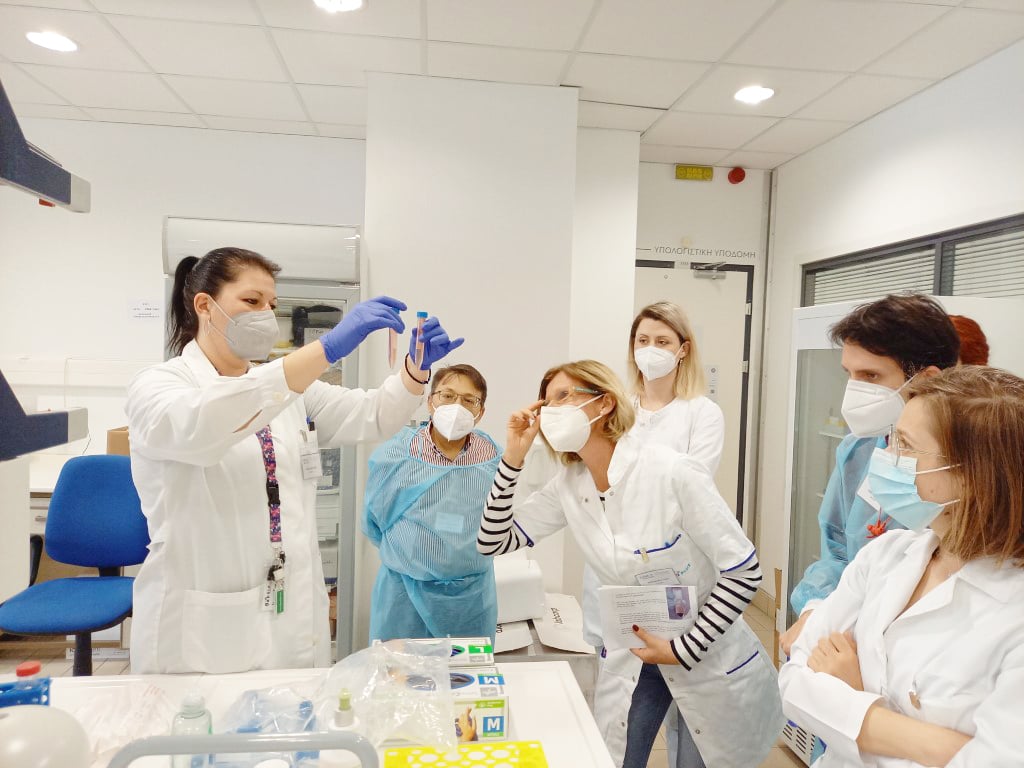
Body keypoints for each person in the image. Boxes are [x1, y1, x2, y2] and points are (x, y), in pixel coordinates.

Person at [126, 247, 463, 674]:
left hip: (290, 603)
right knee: (203, 729)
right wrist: (324, 350)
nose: (265, 315)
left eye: (272, 305)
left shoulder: (288, 389)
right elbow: (205, 425)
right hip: (205, 614)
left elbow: (370, 415)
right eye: (251, 302)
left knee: (295, 723)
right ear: (204, 306)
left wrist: (414, 372)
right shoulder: (160, 387)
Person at [477, 361, 783, 768]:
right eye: (546, 403)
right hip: (635, 655)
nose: (550, 412)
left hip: (704, 649)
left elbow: (744, 571)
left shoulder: (672, 472)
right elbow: (492, 541)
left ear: (603, 403)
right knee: (619, 759)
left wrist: (684, 647)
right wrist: (513, 458)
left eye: (564, 397)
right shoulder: (570, 485)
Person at [779, 365, 1024, 766]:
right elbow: (793, 681)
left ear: (971, 475)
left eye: (905, 446)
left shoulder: (1013, 615)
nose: (886, 457)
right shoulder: (887, 554)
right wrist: (933, 745)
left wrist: (853, 701)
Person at [581, 301, 726, 766]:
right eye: (643, 340)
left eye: (663, 341)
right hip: (620, 578)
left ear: (683, 350)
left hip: (680, 582)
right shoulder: (614, 411)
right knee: (627, 729)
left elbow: (690, 495)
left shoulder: (701, 414)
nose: (651, 350)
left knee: (693, 731)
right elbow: (594, 484)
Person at [781, 294, 960, 656]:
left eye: (871, 376)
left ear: (927, 380)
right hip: (849, 635)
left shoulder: (968, 467)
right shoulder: (860, 450)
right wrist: (817, 610)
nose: (854, 390)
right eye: (849, 374)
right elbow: (837, 549)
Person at [363, 363, 501, 642]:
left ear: (480, 411)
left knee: (464, 681)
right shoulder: (397, 455)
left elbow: (498, 520)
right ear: (430, 401)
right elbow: (374, 522)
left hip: (470, 601)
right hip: (404, 596)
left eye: (468, 400)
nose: (456, 406)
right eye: (447, 396)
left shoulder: (493, 458)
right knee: (400, 682)